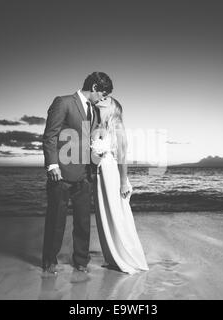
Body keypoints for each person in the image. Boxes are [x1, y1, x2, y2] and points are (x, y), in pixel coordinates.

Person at [42, 72, 113, 275]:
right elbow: (50, 136)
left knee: (83, 221)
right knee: (56, 220)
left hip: (85, 174)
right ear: (94, 87)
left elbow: (89, 140)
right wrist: (52, 165)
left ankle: (81, 261)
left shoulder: (95, 111)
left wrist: (99, 152)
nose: (103, 98)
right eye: (102, 93)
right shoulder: (63, 102)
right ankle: (49, 262)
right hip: (61, 173)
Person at [92, 97, 149, 274]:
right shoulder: (97, 126)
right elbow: (92, 155)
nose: (102, 99)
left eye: (106, 99)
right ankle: (112, 258)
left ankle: (128, 258)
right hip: (99, 175)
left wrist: (124, 182)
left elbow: (123, 156)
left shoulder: (118, 126)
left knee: (118, 214)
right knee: (104, 216)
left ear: (113, 107)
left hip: (112, 174)